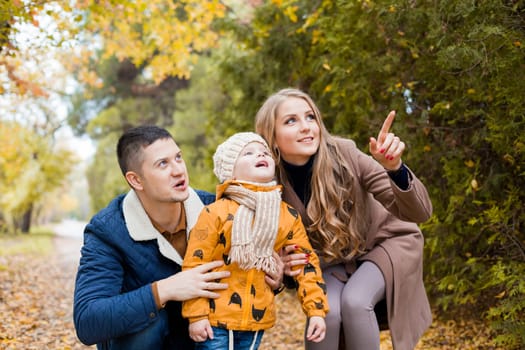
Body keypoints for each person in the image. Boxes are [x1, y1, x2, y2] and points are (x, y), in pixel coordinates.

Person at [73, 125, 284, 350]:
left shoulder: (218, 209)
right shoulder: (108, 231)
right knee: (150, 323)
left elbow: (251, 269)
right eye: (162, 164)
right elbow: (88, 321)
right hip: (143, 342)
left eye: (178, 158)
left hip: (205, 340)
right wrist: (166, 290)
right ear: (136, 180)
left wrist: (275, 278)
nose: (178, 171)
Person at [254, 88, 433, 350]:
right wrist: (281, 266)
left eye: (310, 117)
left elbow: (420, 213)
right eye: (291, 121)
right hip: (335, 259)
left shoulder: (345, 154)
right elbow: (278, 257)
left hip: (387, 242)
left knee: (356, 301)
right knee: (325, 311)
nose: (305, 127)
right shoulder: (269, 186)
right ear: (271, 136)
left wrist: (394, 168)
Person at [182, 132, 329, 349]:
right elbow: (195, 264)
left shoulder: (285, 215)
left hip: (256, 318)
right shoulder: (215, 213)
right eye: (248, 153)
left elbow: (305, 264)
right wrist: (196, 315)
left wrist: (316, 311)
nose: (260, 154)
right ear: (230, 171)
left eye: (264, 152)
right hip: (214, 318)